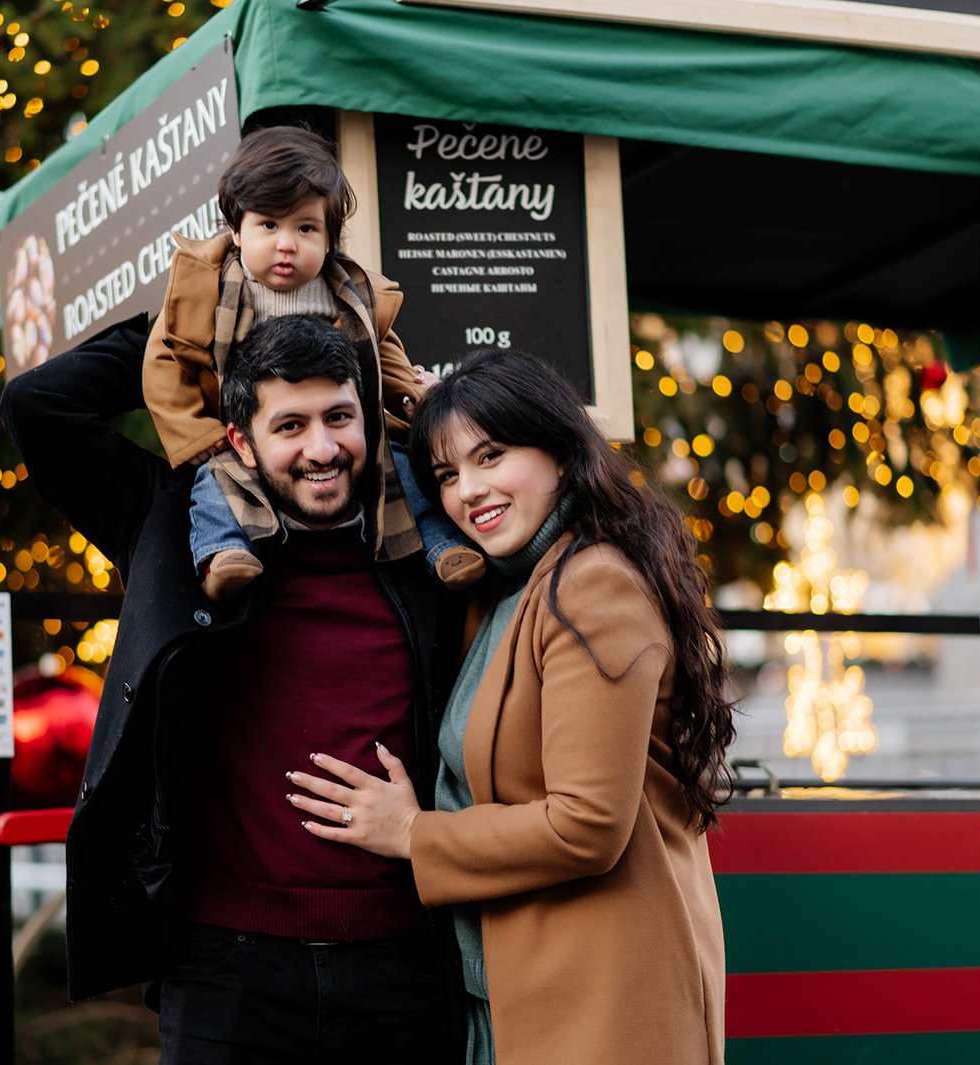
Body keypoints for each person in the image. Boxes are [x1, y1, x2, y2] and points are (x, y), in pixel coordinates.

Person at [0, 313, 462, 1064]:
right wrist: (204, 311)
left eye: (340, 416)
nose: (322, 447)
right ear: (238, 438)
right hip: (227, 973)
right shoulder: (172, 528)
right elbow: (37, 406)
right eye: (291, 424)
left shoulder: (433, 548)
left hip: (404, 966)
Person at [287, 349, 735, 1065]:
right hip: (511, 991)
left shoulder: (592, 584)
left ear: (559, 448)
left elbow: (588, 824)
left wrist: (413, 833)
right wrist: (431, 412)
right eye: (448, 474)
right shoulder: (503, 590)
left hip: (603, 998)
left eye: (492, 455)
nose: (469, 490)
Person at [142, 123, 482, 601]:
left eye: (306, 228)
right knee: (214, 484)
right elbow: (163, 361)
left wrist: (416, 396)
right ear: (235, 230)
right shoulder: (206, 290)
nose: (287, 244)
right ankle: (224, 554)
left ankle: (442, 547)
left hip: (334, 415)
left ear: (329, 240)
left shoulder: (349, 294)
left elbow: (383, 350)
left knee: (402, 468)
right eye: (269, 225)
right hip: (247, 431)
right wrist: (192, 431)